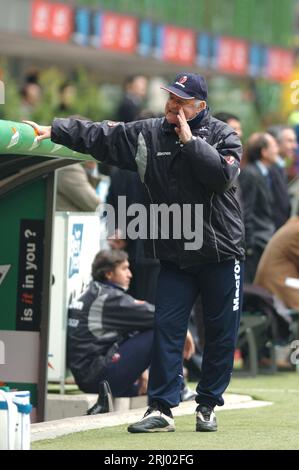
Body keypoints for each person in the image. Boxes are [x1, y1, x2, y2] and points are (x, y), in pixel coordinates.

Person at [24, 71, 245, 433]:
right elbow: (104, 134)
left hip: (221, 253)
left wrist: (191, 144)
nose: (172, 105)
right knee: (167, 327)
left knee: (222, 333)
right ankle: (160, 407)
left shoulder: (224, 135)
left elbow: (222, 176)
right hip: (176, 254)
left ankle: (207, 405)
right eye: (170, 98)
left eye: (181, 101)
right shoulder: (148, 132)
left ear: (200, 106)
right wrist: (57, 130)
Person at [67, 249, 195, 406]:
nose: (130, 274)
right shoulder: (108, 298)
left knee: (152, 331)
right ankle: (179, 389)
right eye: (124, 269)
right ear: (108, 274)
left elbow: (126, 335)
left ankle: (165, 389)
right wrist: (186, 332)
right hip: (99, 377)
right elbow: (161, 317)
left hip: (91, 376)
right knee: (159, 330)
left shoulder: (93, 292)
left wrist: (142, 371)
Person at [239, 132, 278, 283]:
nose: (277, 150)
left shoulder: (264, 173)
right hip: (255, 245)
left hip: (263, 242)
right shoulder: (251, 174)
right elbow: (246, 211)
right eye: (274, 146)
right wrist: (249, 245)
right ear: (264, 152)